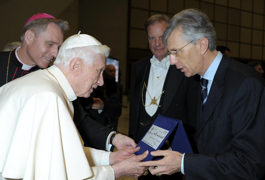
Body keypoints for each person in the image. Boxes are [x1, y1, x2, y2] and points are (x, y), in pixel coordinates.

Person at [0, 33, 148, 180]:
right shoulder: (49, 97)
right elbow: (63, 175)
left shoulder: (42, 85)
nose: (101, 82)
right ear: (76, 66)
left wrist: (110, 158)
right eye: (99, 71)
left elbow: (65, 154)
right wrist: (118, 170)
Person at [140, 9, 265, 179]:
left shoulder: (246, 83)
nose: (172, 61)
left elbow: (250, 164)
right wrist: (174, 151)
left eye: (176, 51)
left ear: (202, 45)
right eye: (170, 53)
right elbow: (210, 136)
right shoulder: (202, 79)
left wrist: (183, 163)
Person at [0, 12, 136, 152]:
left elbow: (79, 118)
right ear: (29, 37)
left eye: (58, 47)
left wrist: (112, 138)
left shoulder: (51, 76)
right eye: (50, 44)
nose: (55, 53)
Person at [129, 14, 199, 180]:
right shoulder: (137, 67)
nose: (157, 43)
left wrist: (188, 154)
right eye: (152, 38)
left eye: (162, 37)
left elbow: (193, 113)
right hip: (143, 150)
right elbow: (134, 107)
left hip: (171, 151)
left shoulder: (185, 68)